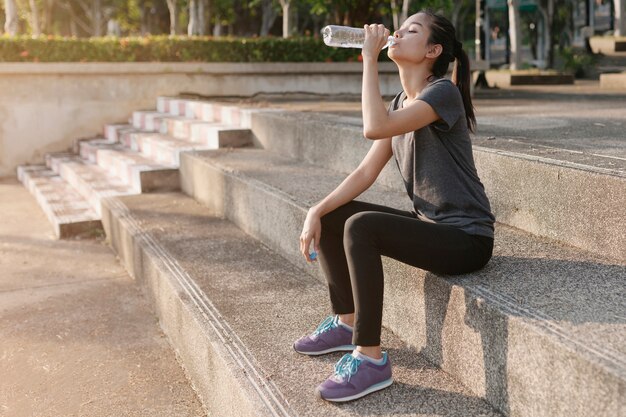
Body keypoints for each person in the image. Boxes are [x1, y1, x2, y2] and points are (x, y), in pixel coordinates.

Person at [294, 10, 495, 402]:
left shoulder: (442, 92)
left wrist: (368, 58)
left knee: (362, 226)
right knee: (338, 215)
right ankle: (345, 320)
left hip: (466, 237)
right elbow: (366, 170)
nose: (398, 32)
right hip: (432, 225)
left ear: (432, 50)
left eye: (413, 30)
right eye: (400, 26)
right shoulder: (403, 99)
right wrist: (315, 210)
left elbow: (375, 126)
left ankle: (370, 359)